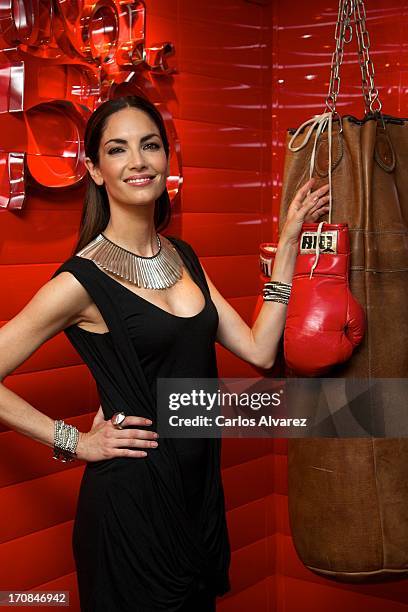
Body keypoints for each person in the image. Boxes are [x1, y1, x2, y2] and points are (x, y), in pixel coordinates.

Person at [0, 94, 329, 611]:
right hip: (129, 509)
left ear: (166, 159)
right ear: (93, 169)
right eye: (117, 149)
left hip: (196, 501)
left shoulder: (184, 257)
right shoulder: (80, 280)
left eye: (150, 145)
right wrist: (75, 441)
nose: (138, 161)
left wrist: (288, 244)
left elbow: (261, 352)